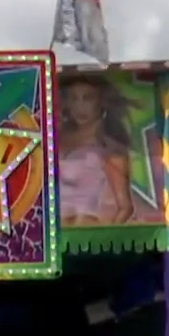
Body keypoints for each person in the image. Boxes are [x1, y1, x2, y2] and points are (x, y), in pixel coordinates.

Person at [58, 77, 136, 225]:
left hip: (86, 231)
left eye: (88, 98)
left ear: (101, 101)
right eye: (74, 99)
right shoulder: (56, 139)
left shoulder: (108, 147)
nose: (80, 107)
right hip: (54, 236)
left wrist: (105, 239)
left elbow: (125, 207)